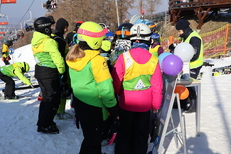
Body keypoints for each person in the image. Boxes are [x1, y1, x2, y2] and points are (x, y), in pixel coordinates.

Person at [66, 21, 118, 154]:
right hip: (95, 108)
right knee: (94, 141)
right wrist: (114, 109)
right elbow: (106, 89)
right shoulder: (97, 60)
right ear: (96, 41)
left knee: (90, 138)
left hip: (80, 103)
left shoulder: (74, 57)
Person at [112, 23, 163, 154]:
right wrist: (155, 105)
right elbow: (157, 86)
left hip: (126, 104)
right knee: (141, 134)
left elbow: (116, 80)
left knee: (124, 132)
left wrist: (119, 93)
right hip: (145, 106)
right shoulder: (153, 59)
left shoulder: (124, 57)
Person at [31, 17, 65, 134]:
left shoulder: (36, 40)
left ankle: (42, 121)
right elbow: (57, 58)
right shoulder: (49, 42)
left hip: (40, 70)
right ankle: (46, 124)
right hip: (49, 71)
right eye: (49, 27)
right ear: (45, 29)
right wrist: (62, 70)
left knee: (46, 99)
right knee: (52, 99)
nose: (51, 29)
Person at [175, 19, 203, 112]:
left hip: (194, 65)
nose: (179, 33)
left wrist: (183, 58)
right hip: (187, 65)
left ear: (184, 29)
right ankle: (183, 102)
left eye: (179, 31)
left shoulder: (194, 38)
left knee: (191, 85)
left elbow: (194, 54)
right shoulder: (186, 37)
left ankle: (194, 105)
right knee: (184, 83)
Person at [51, 18, 73, 120]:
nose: (66, 30)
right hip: (61, 68)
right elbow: (60, 56)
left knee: (56, 91)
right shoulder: (60, 40)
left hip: (53, 69)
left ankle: (56, 110)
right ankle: (61, 111)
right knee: (63, 89)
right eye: (66, 27)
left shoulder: (53, 37)